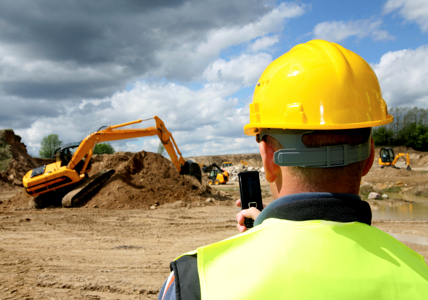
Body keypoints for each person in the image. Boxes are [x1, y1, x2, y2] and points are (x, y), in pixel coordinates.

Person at [158, 39, 428, 300]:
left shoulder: (197, 281)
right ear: (369, 157)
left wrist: (258, 244)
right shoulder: (419, 276)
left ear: (268, 160)